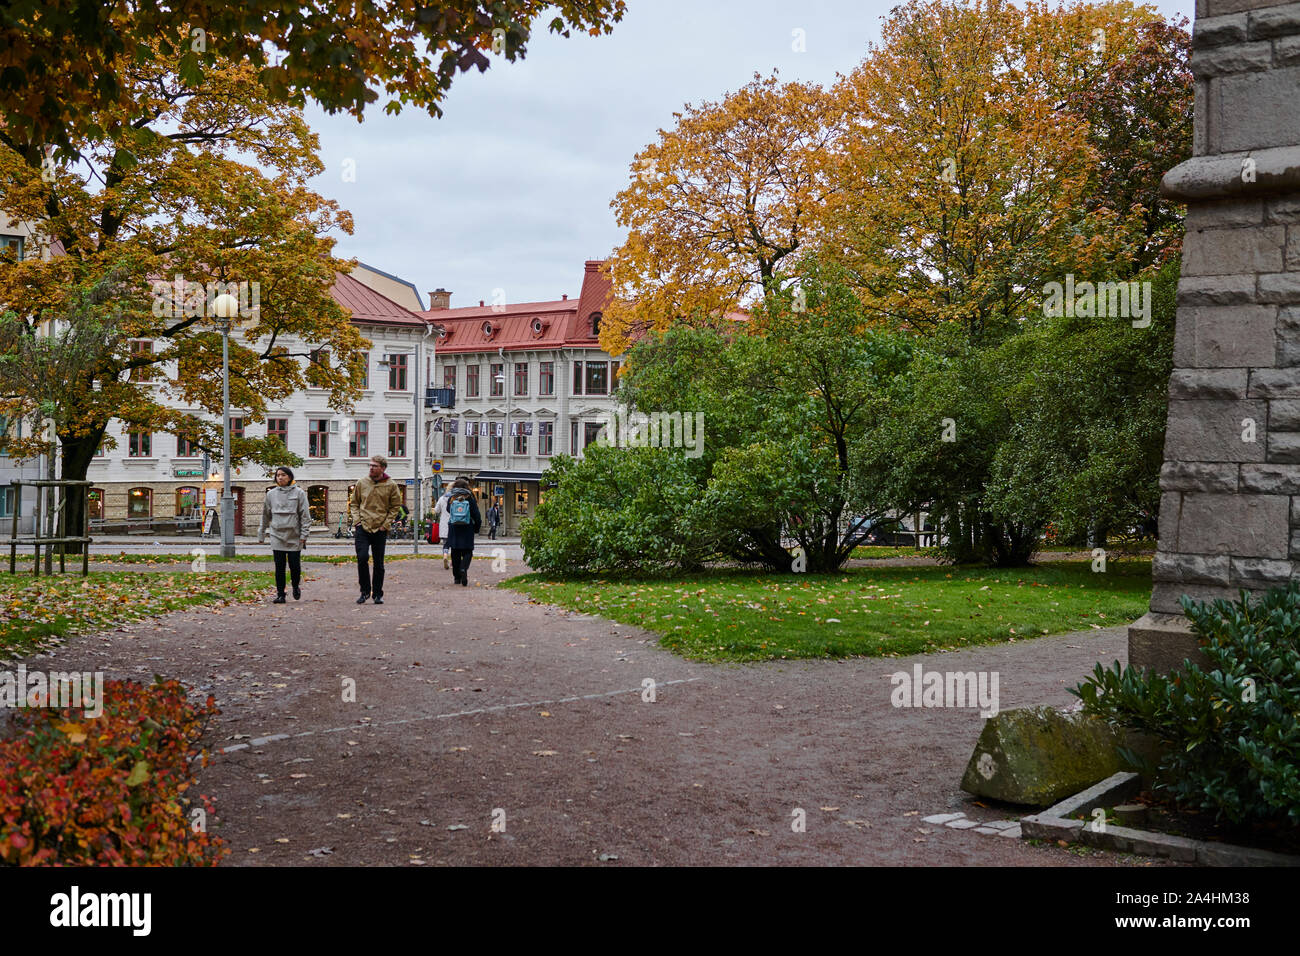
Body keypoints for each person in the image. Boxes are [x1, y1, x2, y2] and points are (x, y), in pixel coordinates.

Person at [346, 454, 403, 604]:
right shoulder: (362, 483)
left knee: (379, 563)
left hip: (380, 528)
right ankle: (364, 591)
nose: (371, 468)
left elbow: (395, 506)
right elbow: (354, 503)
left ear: (382, 468)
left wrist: (386, 524)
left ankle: (377, 593)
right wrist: (357, 521)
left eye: (374, 466)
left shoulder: (391, 485)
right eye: (370, 465)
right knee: (362, 557)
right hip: (363, 527)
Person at [259, 465, 311, 603]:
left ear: (289, 477)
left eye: (283, 475)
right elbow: (265, 515)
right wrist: (261, 533)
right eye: (278, 475)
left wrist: (304, 535)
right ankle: (280, 594)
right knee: (279, 566)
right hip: (276, 534)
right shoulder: (271, 494)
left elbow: (305, 515)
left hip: (294, 535)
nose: (280, 477)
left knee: (294, 566)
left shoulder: (299, 493)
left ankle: (295, 586)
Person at [445, 477, 482, 586]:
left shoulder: (452, 497)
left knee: (455, 552)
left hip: (454, 527)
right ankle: (463, 569)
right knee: (467, 551)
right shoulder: (470, 497)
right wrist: (477, 527)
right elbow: (476, 514)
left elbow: (448, 509)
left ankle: (457, 577)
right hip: (467, 527)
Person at [432, 483, 452, 570]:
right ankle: (452, 562)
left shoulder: (442, 499)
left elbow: (436, 510)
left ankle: (445, 555)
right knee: (455, 545)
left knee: (445, 544)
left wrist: (432, 510)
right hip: (454, 524)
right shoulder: (456, 499)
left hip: (444, 524)